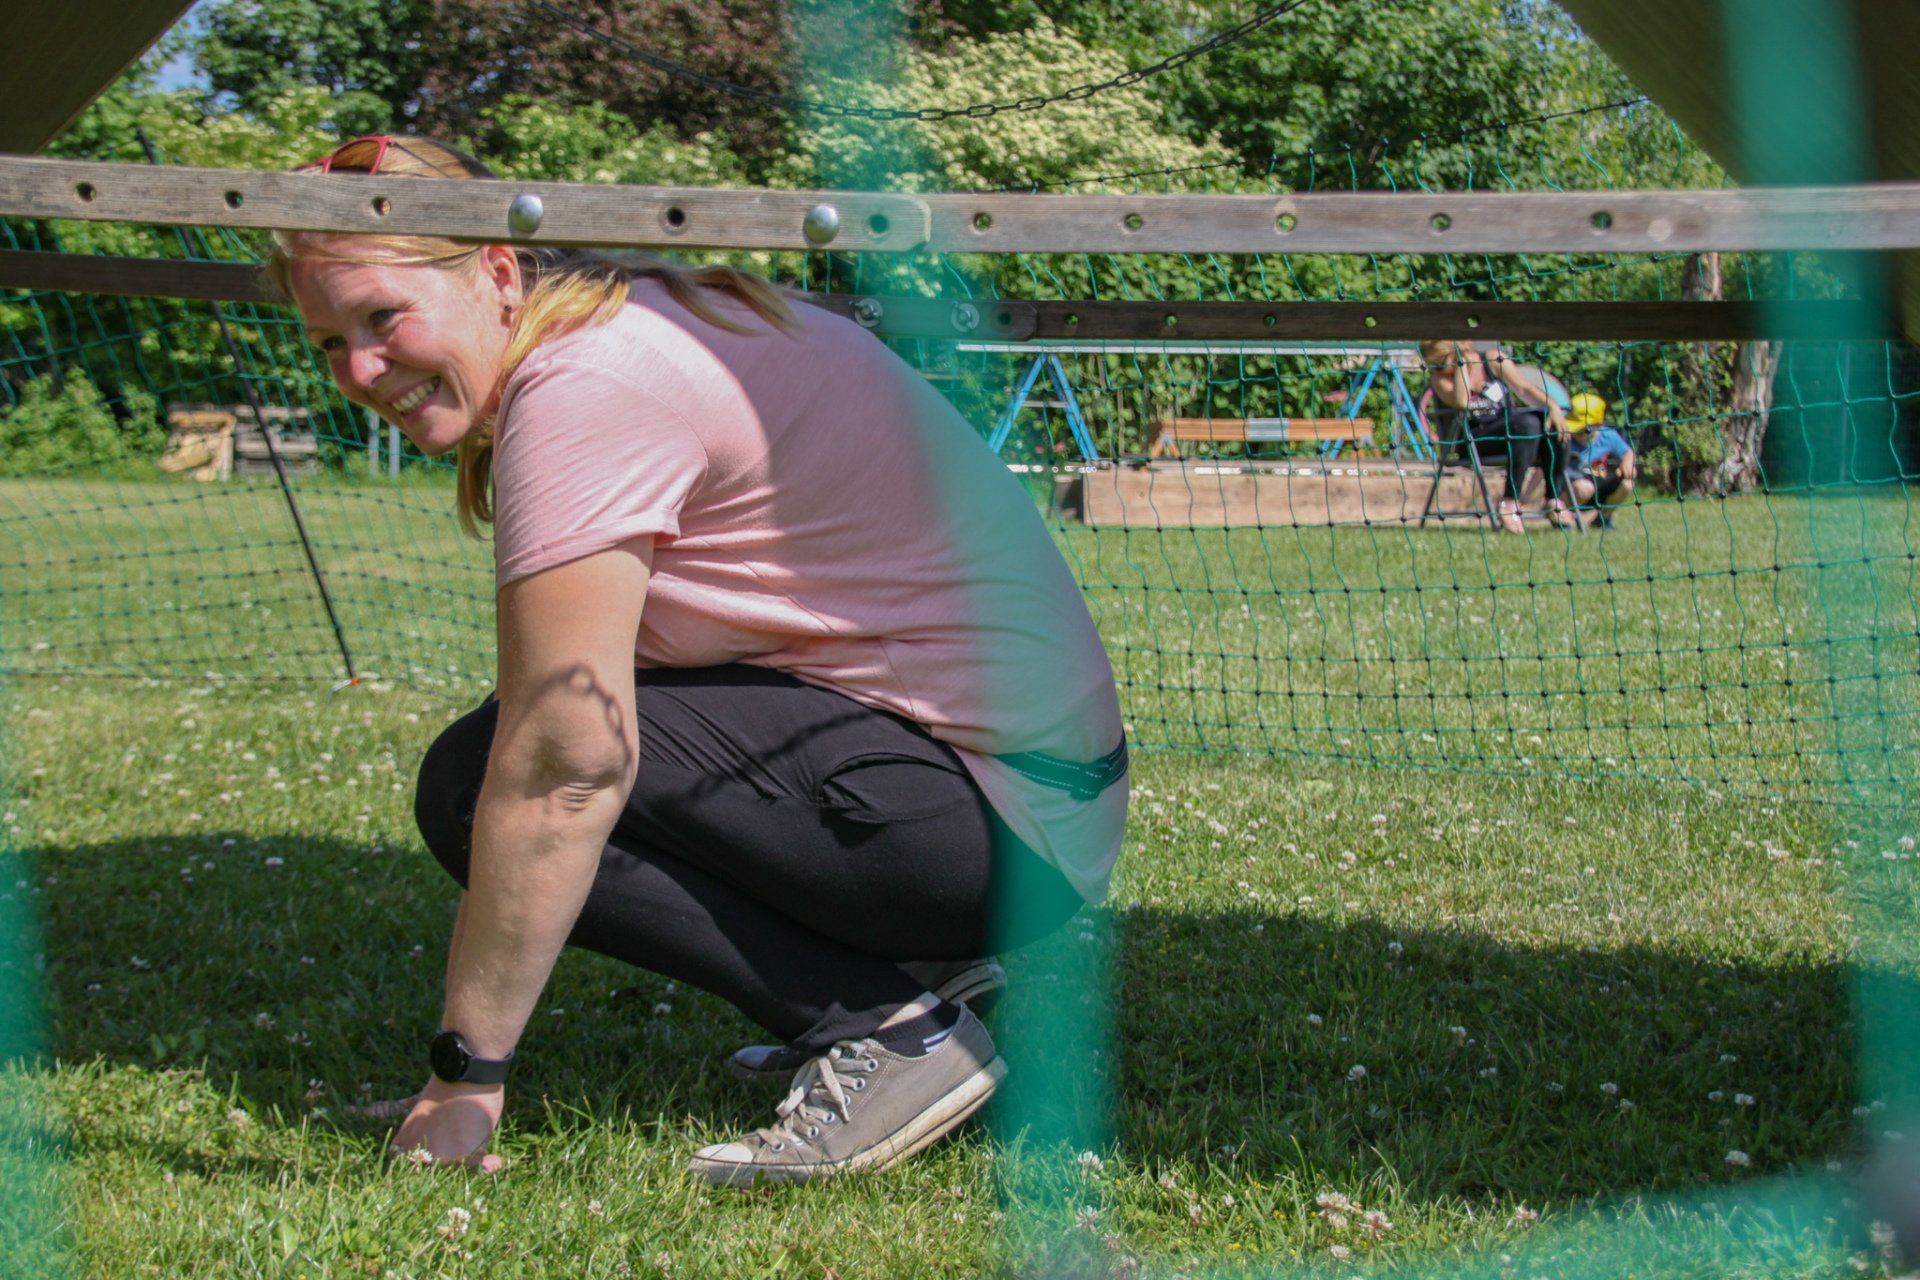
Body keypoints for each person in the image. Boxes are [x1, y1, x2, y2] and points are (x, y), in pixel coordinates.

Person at [268, 136, 1128, 1184]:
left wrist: (464, 1077)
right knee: (535, 734)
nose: (360, 370)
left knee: (486, 774)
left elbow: (565, 762)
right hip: (1028, 807)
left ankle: (891, 1029)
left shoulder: (587, 381)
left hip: (994, 826)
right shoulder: (628, 320)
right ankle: (929, 977)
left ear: (496, 271)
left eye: (382, 317)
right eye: (329, 341)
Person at [1420, 339, 1575, 534]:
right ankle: (1509, 502)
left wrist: (1553, 408)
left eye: (1442, 362)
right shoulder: (1441, 379)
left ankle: (1554, 498)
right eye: (1435, 365)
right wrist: (1461, 367)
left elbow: (1523, 388)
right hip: (1473, 440)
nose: (1440, 369)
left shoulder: (1493, 360)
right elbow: (1462, 401)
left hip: (1513, 433)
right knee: (1528, 424)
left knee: (1552, 424)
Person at [1563, 392, 1637, 528]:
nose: (1576, 433)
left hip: (1600, 486)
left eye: (1582, 429)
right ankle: (1564, 518)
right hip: (1573, 490)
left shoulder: (1607, 435)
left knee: (1627, 484)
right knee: (1584, 488)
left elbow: (1628, 452)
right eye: (1574, 428)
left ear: (1598, 424)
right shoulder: (1565, 438)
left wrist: (1627, 463)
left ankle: (1603, 518)